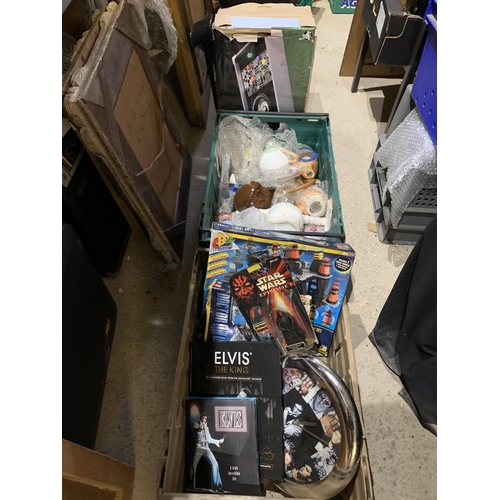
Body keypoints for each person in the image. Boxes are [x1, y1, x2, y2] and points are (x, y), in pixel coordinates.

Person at [191, 412, 225, 492]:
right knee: (194, 466)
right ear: (200, 418)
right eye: (203, 418)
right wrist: (201, 426)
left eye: (205, 418)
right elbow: (196, 429)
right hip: (199, 447)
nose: (204, 419)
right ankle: (192, 485)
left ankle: (217, 485)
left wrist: (218, 441)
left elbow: (209, 439)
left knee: (215, 464)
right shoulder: (196, 425)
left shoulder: (207, 428)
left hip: (206, 447)